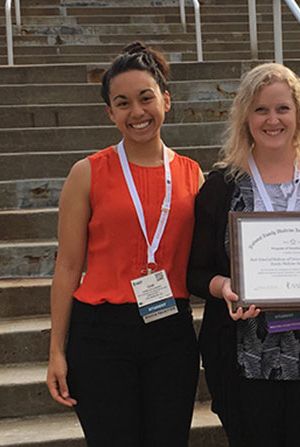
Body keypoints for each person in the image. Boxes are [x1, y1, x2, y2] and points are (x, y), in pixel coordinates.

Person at [187, 63, 300, 447]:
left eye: (283, 108)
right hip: (248, 366)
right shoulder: (222, 188)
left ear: (299, 114)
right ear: (245, 117)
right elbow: (195, 272)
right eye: (261, 109)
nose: (273, 119)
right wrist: (226, 287)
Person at [45, 42, 203, 447]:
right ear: (110, 113)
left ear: (166, 100)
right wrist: (56, 351)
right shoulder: (87, 173)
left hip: (170, 331)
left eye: (146, 98)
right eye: (123, 103)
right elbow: (67, 267)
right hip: (100, 336)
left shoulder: (192, 175)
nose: (137, 112)